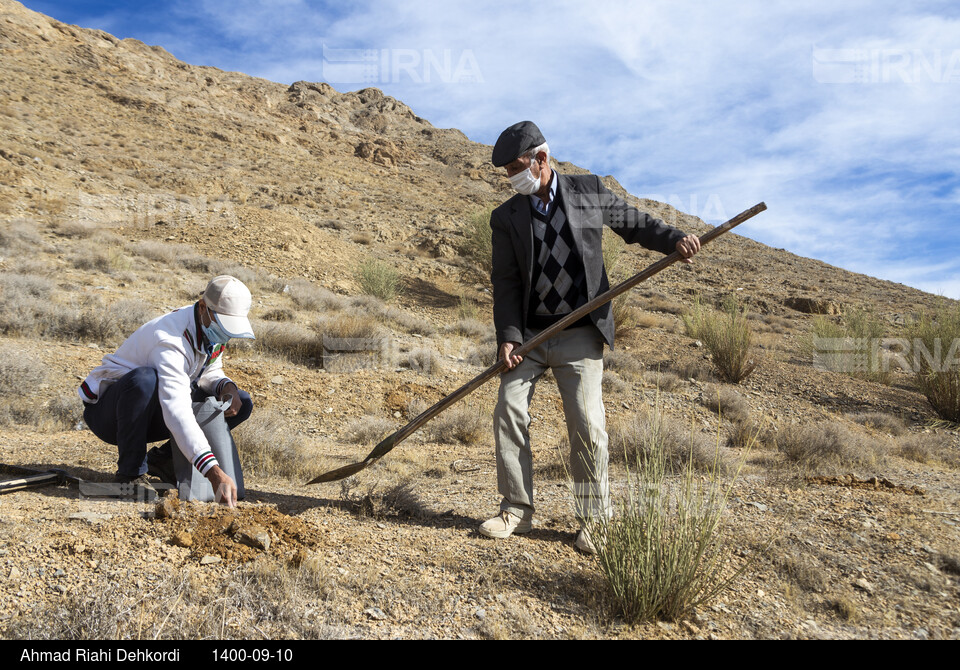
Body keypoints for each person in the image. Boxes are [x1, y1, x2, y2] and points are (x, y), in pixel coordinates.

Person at [481, 121, 701, 553]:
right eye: (507, 171)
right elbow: (505, 283)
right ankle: (516, 511)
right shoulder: (505, 217)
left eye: (515, 167)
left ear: (541, 160)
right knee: (508, 410)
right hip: (530, 335)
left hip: (580, 331)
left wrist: (676, 240)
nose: (511, 177)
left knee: (586, 425)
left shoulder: (588, 191)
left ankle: (594, 521)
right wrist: (507, 337)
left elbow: (635, 225)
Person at [79, 275, 256, 507]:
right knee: (145, 380)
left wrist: (228, 387)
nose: (226, 335)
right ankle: (130, 474)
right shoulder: (170, 339)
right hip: (112, 415)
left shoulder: (207, 326)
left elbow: (208, 372)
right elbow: (177, 410)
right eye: (223, 325)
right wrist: (213, 472)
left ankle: (163, 461)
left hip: (153, 410)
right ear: (203, 307)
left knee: (240, 401)